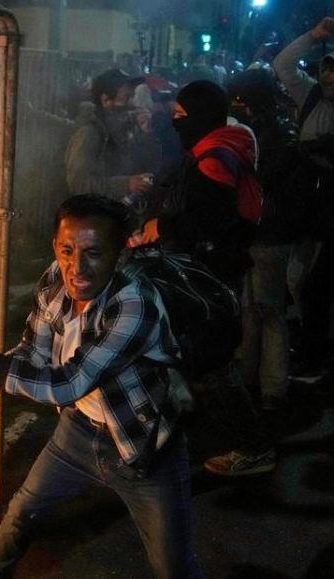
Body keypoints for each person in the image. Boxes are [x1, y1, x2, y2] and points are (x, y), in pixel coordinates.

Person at [0, 194, 201, 579]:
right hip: (78, 433)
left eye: (94, 252)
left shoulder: (135, 303)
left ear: (120, 253)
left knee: (173, 567)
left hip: (142, 446)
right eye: (67, 249)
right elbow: (35, 351)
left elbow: (69, 383)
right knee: (20, 515)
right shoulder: (56, 279)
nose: (78, 267)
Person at [140, 80, 276, 477]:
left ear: (200, 116)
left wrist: (162, 225)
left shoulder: (215, 158)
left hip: (210, 275)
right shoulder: (223, 144)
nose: (175, 123)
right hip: (212, 271)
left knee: (213, 361)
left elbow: (208, 222)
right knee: (193, 353)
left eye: (181, 117)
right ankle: (178, 422)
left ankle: (253, 446)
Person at [227, 69, 301, 412]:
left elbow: (261, 181)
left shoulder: (267, 135)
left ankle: (271, 387)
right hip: (268, 231)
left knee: (266, 310)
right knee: (253, 309)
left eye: (241, 99)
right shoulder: (280, 129)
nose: (237, 105)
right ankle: (254, 381)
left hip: (268, 233)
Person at [273, 17, 334, 382]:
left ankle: (318, 353)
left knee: (316, 284)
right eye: (326, 69)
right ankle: (316, 346)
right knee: (299, 278)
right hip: (308, 204)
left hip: (329, 207)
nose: (329, 77)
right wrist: (314, 36)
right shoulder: (309, 94)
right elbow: (282, 65)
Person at [64, 68, 158, 207]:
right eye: (127, 97)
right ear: (106, 100)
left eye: (133, 94)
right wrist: (126, 184)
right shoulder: (89, 133)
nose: (133, 103)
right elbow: (79, 184)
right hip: (98, 216)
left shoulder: (128, 130)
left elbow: (146, 167)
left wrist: (147, 135)